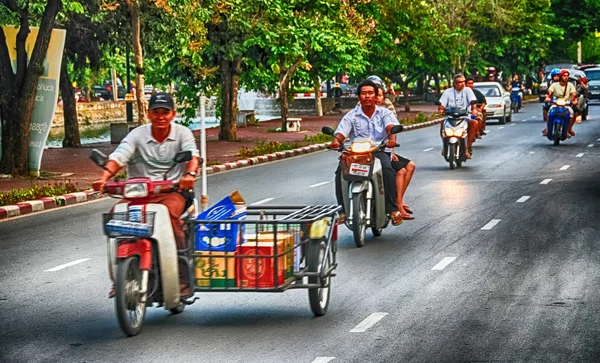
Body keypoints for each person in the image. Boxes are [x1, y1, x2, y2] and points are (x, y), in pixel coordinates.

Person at [92, 92, 200, 296]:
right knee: (117, 217)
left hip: (172, 192)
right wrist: (104, 178)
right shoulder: (137, 135)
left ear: (173, 114)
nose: (161, 116)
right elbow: (119, 156)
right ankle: (119, 278)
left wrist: (190, 174)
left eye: (165, 112)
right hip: (138, 194)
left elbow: (193, 157)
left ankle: (182, 278)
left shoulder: (183, 133)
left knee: (170, 217)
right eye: (156, 112)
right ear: (148, 113)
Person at [330, 79, 403, 226]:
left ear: (376, 96)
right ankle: (343, 211)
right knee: (340, 171)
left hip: (378, 150)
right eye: (364, 93)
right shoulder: (351, 115)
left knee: (387, 169)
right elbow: (341, 132)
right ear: (359, 97)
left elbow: (391, 127)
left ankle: (392, 209)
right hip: (356, 153)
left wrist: (391, 139)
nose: (367, 96)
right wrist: (336, 141)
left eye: (370, 93)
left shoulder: (384, 113)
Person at [371, 80, 416, 220]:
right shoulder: (357, 112)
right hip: (361, 151)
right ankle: (343, 210)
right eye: (371, 94)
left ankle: (397, 203)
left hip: (382, 149)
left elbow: (392, 129)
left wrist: (392, 148)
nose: (375, 98)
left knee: (408, 166)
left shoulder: (386, 110)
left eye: (379, 95)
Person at [437, 74, 478, 158]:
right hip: (451, 117)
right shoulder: (448, 92)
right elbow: (442, 105)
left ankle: (467, 147)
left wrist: (474, 110)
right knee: (442, 123)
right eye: (460, 82)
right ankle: (445, 147)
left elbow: (473, 102)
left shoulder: (468, 90)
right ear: (454, 83)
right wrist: (441, 109)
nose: (463, 84)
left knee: (475, 123)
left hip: (464, 116)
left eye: (464, 82)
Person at [543, 69, 577, 137]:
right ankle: (548, 128)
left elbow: (573, 94)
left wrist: (573, 100)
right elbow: (549, 93)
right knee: (548, 111)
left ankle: (568, 130)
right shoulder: (554, 85)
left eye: (567, 76)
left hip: (566, 104)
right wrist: (548, 97)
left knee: (571, 113)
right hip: (555, 104)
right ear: (561, 76)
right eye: (564, 76)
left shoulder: (570, 85)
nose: (566, 77)